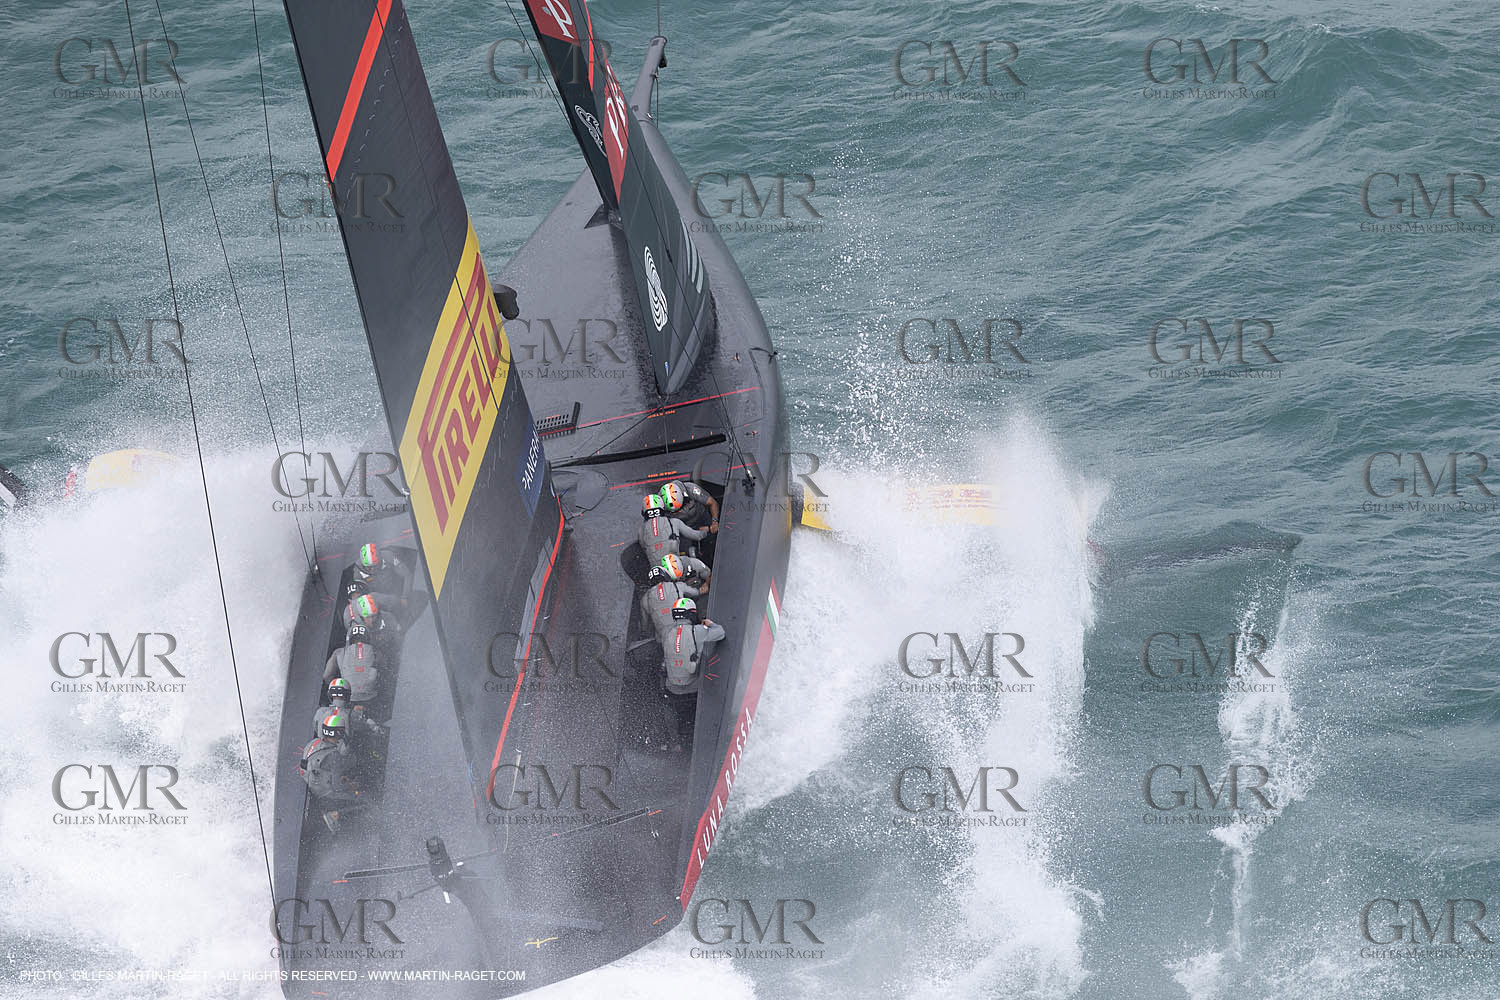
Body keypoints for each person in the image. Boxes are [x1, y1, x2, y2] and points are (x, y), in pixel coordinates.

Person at [298, 713, 363, 831]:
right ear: (339, 733)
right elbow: (338, 786)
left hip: (312, 785)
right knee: (364, 802)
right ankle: (334, 815)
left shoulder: (313, 743)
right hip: (325, 792)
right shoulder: (334, 755)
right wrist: (351, 786)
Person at [659, 597, 725, 695]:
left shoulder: (666, 633)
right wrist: (710, 624)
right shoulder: (697, 631)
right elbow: (721, 633)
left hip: (672, 688)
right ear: (691, 614)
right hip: (693, 686)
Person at [639, 493, 707, 561]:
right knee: (692, 552)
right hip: (675, 565)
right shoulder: (674, 522)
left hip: (656, 568)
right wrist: (706, 531)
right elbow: (697, 536)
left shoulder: (641, 531)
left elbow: (644, 547)